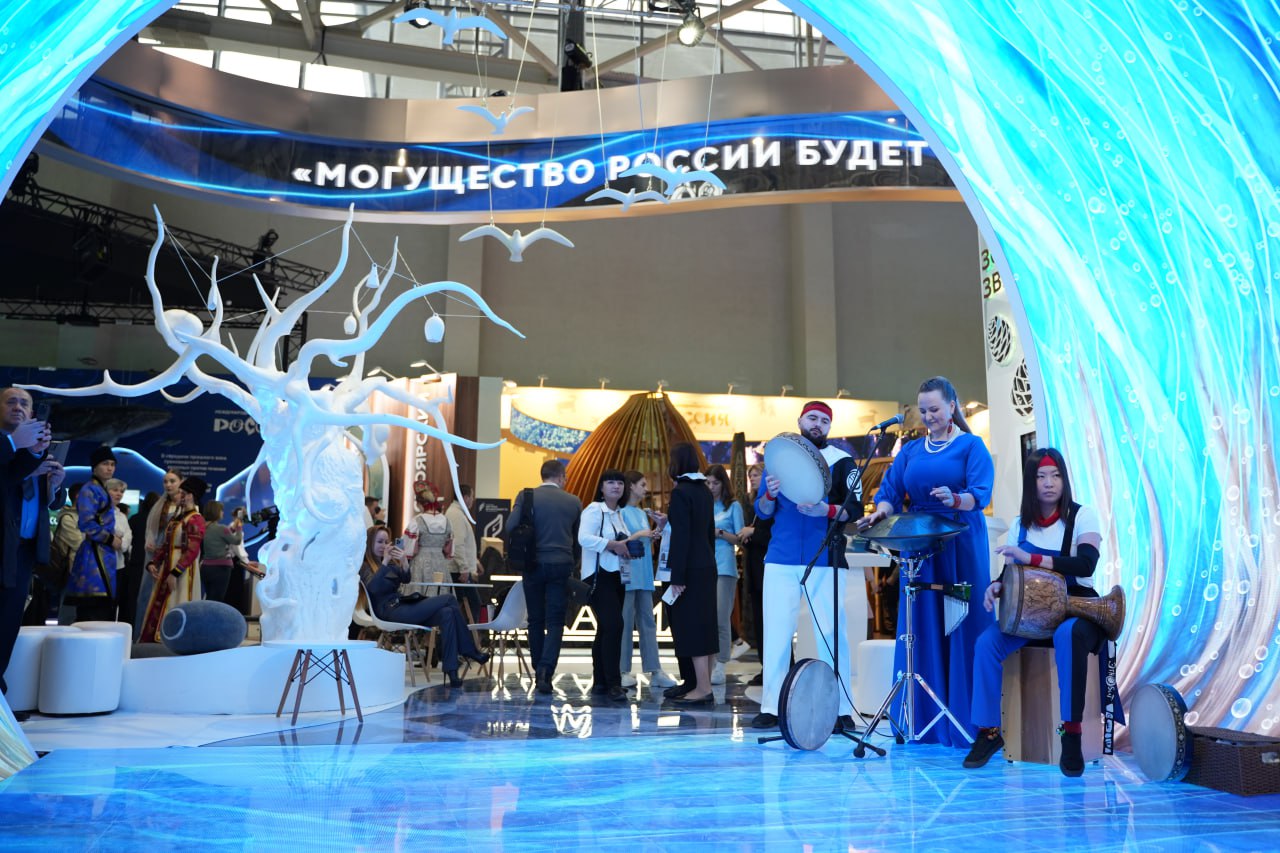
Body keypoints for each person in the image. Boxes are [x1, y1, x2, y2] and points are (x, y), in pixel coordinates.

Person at [859, 376, 995, 747]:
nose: (928, 416)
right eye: (923, 410)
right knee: (921, 624)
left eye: (934, 409)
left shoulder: (971, 445)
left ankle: (968, 722)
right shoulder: (911, 450)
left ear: (952, 406)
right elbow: (890, 490)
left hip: (959, 541)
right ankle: (922, 721)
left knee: (961, 623)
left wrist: (956, 499)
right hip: (919, 542)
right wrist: (880, 511)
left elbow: (980, 494)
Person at [963, 448, 1107, 776]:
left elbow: (1086, 564)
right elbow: (1011, 573)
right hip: (1031, 614)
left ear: (1064, 480)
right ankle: (988, 732)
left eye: (1055, 475)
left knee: (1068, 635)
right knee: (987, 643)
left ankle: (1071, 735)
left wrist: (1033, 559)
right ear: (1031, 482)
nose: (1049, 483)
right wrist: (996, 586)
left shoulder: (1083, 516)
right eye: (1041, 476)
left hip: (1077, 607)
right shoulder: (1020, 525)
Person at [751, 402, 861, 730]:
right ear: (800, 420)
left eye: (825, 420)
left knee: (831, 635)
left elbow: (854, 509)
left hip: (825, 558)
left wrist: (827, 511)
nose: (818, 424)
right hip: (780, 558)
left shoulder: (842, 461)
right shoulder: (779, 457)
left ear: (830, 427)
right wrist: (769, 496)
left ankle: (840, 709)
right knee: (776, 634)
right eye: (812, 417)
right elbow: (762, 511)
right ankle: (772, 706)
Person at [362, 524, 487, 687]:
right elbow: (373, 588)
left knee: (448, 613)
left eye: (386, 542)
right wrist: (385, 562)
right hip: (388, 612)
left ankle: (452, 671)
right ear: (370, 542)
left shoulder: (390, 564)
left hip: (402, 606)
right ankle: (469, 650)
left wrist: (404, 562)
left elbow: (405, 579)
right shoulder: (365, 565)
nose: (384, 546)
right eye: (379, 542)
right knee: (449, 599)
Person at [0, 388, 62, 698]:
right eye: (10, 401)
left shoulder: (35, 450)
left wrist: (54, 487)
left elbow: (43, 503)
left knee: (9, 623)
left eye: (24, 403)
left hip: (23, 551)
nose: (18, 407)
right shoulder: (10, 448)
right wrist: (14, 444)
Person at [505, 459, 581, 695]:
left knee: (535, 619)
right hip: (561, 565)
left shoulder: (526, 496)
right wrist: (573, 561)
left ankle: (537, 666)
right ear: (560, 477)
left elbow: (510, 526)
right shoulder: (573, 501)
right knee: (556, 621)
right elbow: (577, 539)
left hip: (533, 565)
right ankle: (547, 670)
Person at [662, 443, 718, 706]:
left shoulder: (681, 492)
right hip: (706, 565)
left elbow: (681, 537)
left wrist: (677, 576)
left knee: (691, 627)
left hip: (689, 569)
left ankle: (702, 688)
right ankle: (702, 684)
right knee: (706, 626)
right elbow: (708, 533)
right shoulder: (704, 490)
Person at [579, 469, 636, 703]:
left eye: (620, 483)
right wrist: (613, 544)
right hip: (598, 576)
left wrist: (628, 548)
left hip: (616, 576)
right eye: (610, 482)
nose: (616, 486)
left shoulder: (618, 513)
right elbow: (583, 538)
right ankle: (614, 683)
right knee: (615, 625)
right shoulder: (594, 510)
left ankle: (600, 682)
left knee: (605, 628)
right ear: (601, 488)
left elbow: (622, 543)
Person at [618, 470, 675, 689]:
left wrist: (657, 529)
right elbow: (621, 542)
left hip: (643, 573)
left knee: (648, 623)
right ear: (631, 486)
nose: (646, 489)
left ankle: (655, 669)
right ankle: (622, 670)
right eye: (642, 484)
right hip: (627, 573)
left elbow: (645, 541)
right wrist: (642, 534)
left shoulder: (642, 513)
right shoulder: (620, 512)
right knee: (625, 623)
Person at [139, 476, 207, 642]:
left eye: (182, 493)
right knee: (161, 603)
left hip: (182, 571)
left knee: (177, 602)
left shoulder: (195, 519)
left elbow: (192, 550)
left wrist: (175, 573)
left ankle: (173, 640)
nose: (178, 496)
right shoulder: (178, 517)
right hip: (168, 566)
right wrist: (154, 562)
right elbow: (166, 544)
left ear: (191, 495)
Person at [67, 446, 121, 623]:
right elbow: (86, 523)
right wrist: (111, 538)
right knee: (93, 612)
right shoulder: (89, 490)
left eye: (112, 464)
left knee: (103, 611)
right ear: (94, 467)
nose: (110, 468)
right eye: (105, 464)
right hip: (93, 556)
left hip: (104, 553)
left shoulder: (100, 489)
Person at [704, 464, 745, 686]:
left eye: (715, 483)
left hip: (725, 566)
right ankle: (708, 663)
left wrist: (719, 533)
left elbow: (740, 538)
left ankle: (721, 663)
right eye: (708, 483)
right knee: (706, 618)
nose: (711, 487)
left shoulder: (733, 506)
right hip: (703, 566)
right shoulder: (702, 505)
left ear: (723, 483)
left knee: (721, 617)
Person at [137, 467, 183, 640]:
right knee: (148, 594)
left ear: (181, 482)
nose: (168, 485)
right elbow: (151, 530)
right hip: (155, 555)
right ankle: (144, 635)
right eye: (165, 481)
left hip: (175, 556)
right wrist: (149, 543)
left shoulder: (187, 506)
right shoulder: (159, 505)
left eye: (172, 481)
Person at [739, 462, 773, 685]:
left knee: (770, 622)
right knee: (760, 622)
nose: (752, 479)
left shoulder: (772, 504)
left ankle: (775, 666)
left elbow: (772, 535)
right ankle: (765, 666)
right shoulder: (753, 505)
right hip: (754, 571)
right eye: (750, 475)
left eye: (756, 475)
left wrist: (753, 532)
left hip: (767, 571)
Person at [444, 484, 483, 626]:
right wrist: (464, 568)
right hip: (458, 571)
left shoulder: (457, 513)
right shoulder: (456, 515)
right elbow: (458, 544)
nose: (473, 500)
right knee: (473, 606)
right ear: (465, 497)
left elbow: (463, 544)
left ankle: (463, 636)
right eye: (472, 496)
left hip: (459, 570)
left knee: (465, 606)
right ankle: (468, 637)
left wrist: (475, 562)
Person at [403, 481, 453, 588]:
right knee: (440, 592)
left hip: (421, 564)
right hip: (440, 563)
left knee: (420, 592)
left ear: (418, 504)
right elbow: (449, 549)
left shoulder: (417, 520)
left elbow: (410, 549)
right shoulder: (446, 520)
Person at [200, 500, 244, 605]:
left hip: (205, 568)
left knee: (210, 598)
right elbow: (237, 540)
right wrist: (239, 526)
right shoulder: (221, 529)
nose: (223, 513)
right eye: (221, 510)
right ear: (216, 512)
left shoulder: (203, 528)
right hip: (221, 568)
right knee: (217, 601)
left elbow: (223, 535)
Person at [105, 478, 132, 589]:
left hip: (118, 564)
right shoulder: (96, 512)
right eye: (115, 490)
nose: (119, 494)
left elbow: (128, 536)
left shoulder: (121, 516)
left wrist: (119, 542)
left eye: (121, 491)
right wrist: (113, 538)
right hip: (99, 564)